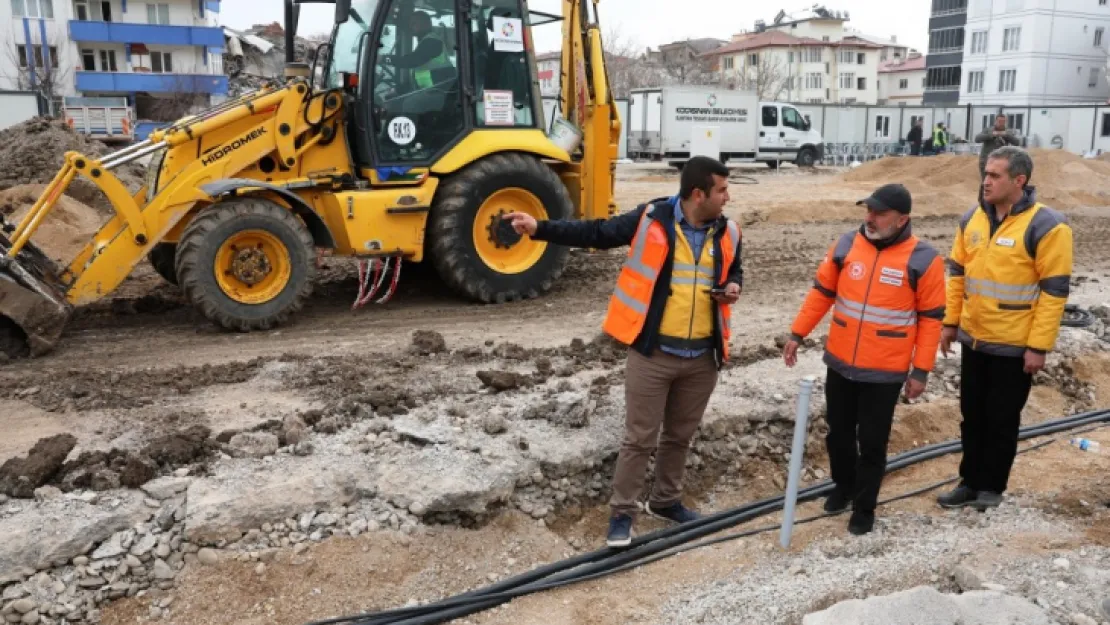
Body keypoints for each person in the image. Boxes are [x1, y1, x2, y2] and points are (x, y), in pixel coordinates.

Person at [503, 156, 742, 548]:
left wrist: (733, 286)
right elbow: (596, 233)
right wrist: (539, 228)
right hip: (653, 353)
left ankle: (666, 502)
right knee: (639, 439)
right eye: (722, 190)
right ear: (699, 193)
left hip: (702, 357)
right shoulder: (652, 218)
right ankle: (622, 514)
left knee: (680, 436)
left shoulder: (728, 230)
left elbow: (736, 271)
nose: (727, 197)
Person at [783, 183, 946, 535]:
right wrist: (797, 334)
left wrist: (921, 371)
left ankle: (865, 506)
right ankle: (843, 486)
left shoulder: (924, 259)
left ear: (902, 220)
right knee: (838, 435)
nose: (869, 218)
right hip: (841, 362)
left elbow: (932, 321)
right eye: (868, 210)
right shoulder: (846, 245)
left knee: (872, 442)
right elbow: (821, 294)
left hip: (884, 371)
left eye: (879, 213)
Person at [937, 146, 1074, 511]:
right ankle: (969, 481)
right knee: (973, 416)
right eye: (985, 173)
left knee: (1001, 419)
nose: (986, 180)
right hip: (975, 340)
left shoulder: (1048, 226)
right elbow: (956, 276)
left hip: (1014, 346)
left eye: (995, 175)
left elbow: (1054, 291)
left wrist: (1038, 346)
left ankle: (991, 487)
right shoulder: (972, 220)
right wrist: (950, 323)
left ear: (1019, 180)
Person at [387, 10, 454, 90]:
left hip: (440, 93)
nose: (411, 26)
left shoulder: (432, 42)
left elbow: (411, 61)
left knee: (408, 103)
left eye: (414, 23)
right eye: (410, 24)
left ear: (426, 24)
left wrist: (385, 59)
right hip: (430, 91)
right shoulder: (426, 41)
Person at [975, 115, 1021, 179]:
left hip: (1001, 163)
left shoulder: (1008, 132)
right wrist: (992, 135)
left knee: (998, 183)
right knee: (986, 182)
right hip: (987, 161)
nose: (1001, 123)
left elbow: (1017, 142)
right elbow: (977, 139)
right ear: (995, 121)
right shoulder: (988, 130)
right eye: (999, 121)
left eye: (1003, 121)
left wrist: (1006, 135)